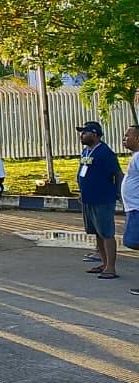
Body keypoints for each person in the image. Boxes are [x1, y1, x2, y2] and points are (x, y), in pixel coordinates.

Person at [77, 121, 123, 280]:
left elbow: (117, 173)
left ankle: (111, 267)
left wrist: (120, 194)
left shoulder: (105, 152)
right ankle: (103, 263)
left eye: (85, 132)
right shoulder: (85, 152)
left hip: (102, 198)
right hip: (88, 198)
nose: (81, 135)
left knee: (106, 232)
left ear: (95, 134)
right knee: (97, 232)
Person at [120, 126, 139, 296]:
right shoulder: (136, 156)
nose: (124, 138)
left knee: (133, 241)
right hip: (133, 208)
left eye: (128, 135)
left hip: (137, 209)